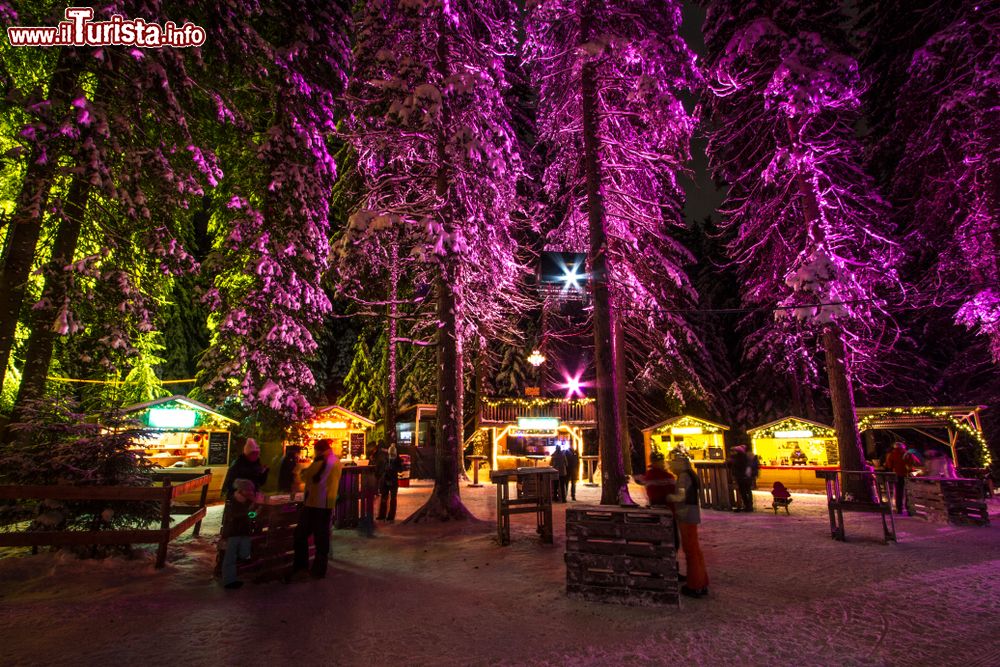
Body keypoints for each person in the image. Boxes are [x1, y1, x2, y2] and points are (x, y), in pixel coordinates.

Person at [287, 439, 343, 581]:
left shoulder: (321, 461)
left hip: (315, 502)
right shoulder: (335, 460)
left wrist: (300, 471)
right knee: (322, 536)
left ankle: (301, 567)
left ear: (318, 449)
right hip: (327, 503)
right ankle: (319, 569)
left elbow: (307, 476)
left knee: (301, 535)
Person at [668, 455, 709, 598]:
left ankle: (695, 584)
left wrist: (668, 497)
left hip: (686, 515)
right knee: (695, 550)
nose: (671, 466)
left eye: (673, 464)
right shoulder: (689, 475)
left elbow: (680, 496)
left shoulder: (684, 477)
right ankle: (702, 581)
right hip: (690, 513)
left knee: (690, 550)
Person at [220, 478, 258, 590]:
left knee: (243, 553)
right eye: (249, 490)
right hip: (234, 532)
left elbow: (248, 516)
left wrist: (254, 512)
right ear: (242, 490)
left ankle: (236, 573)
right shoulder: (234, 502)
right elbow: (239, 516)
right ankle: (229, 581)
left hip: (243, 532)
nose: (251, 492)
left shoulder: (247, 501)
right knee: (230, 556)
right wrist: (252, 513)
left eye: (251, 490)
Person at [883, 441, 916, 514]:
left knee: (898, 492)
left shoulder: (891, 454)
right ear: (903, 447)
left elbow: (889, 465)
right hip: (907, 475)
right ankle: (909, 508)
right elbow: (912, 463)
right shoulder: (908, 454)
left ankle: (899, 508)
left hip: (897, 475)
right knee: (908, 491)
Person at [377, 445, 405, 521]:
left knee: (390, 498)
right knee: (386, 498)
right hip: (388, 480)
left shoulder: (394, 459)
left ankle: (388, 516)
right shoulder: (387, 459)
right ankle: (385, 515)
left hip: (391, 480)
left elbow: (400, 470)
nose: (391, 455)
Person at [729, 445, 753, 512]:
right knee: (746, 491)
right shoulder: (742, 457)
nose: (732, 452)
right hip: (744, 477)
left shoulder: (739, 458)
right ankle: (748, 506)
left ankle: (748, 506)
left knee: (744, 492)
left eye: (734, 451)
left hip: (742, 477)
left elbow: (736, 466)